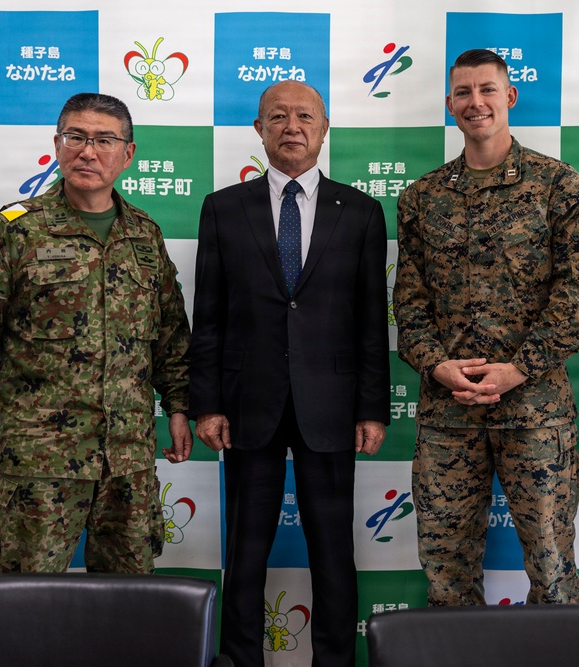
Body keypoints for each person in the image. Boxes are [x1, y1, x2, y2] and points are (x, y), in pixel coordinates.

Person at [0, 92, 193, 574]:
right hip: (39, 462)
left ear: (128, 153)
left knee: (129, 607)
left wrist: (179, 406)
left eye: (104, 140)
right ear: (57, 144)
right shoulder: (15, 230)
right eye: (75, 137)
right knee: (23, 604)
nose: (88, 151)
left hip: (128, 462)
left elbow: (169, 335)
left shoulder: (145, 234)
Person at [189, 80, 389, 667]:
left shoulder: (360, 212)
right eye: (277, 116)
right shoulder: (224, 207)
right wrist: (207, 403)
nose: (292, 126)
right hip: (247, 402)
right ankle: (240, 660)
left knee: (333, 550)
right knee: (246, 551)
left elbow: (371, 322)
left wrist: (371, 407)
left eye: (305, 116)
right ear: (259, 129)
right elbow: (210, 315)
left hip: (331, 404)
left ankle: (334, 660)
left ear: (324, 129)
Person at [393, 49, 579, 607]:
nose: (475, 102)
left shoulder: (560, 188)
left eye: (487, 90)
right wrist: (437, 365)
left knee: (553, 572)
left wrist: (517, 370)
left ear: (509, 97)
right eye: (463, 92)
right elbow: (408, 307)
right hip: (448, 415)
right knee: (446, 578)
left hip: (534, 412)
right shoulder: (421, 198)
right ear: (449, 104)